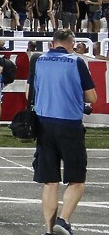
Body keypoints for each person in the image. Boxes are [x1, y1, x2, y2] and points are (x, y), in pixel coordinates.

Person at [28, 29, 96, 235]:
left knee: (50, 181)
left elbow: (29, 92)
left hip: (43, 124)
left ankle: (49, 230)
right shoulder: (76, 62)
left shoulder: (38, 60)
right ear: (72, 43)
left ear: (52, 43)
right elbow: (91, 97)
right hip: (69, 124)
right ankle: (64, 221)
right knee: (76, 179)